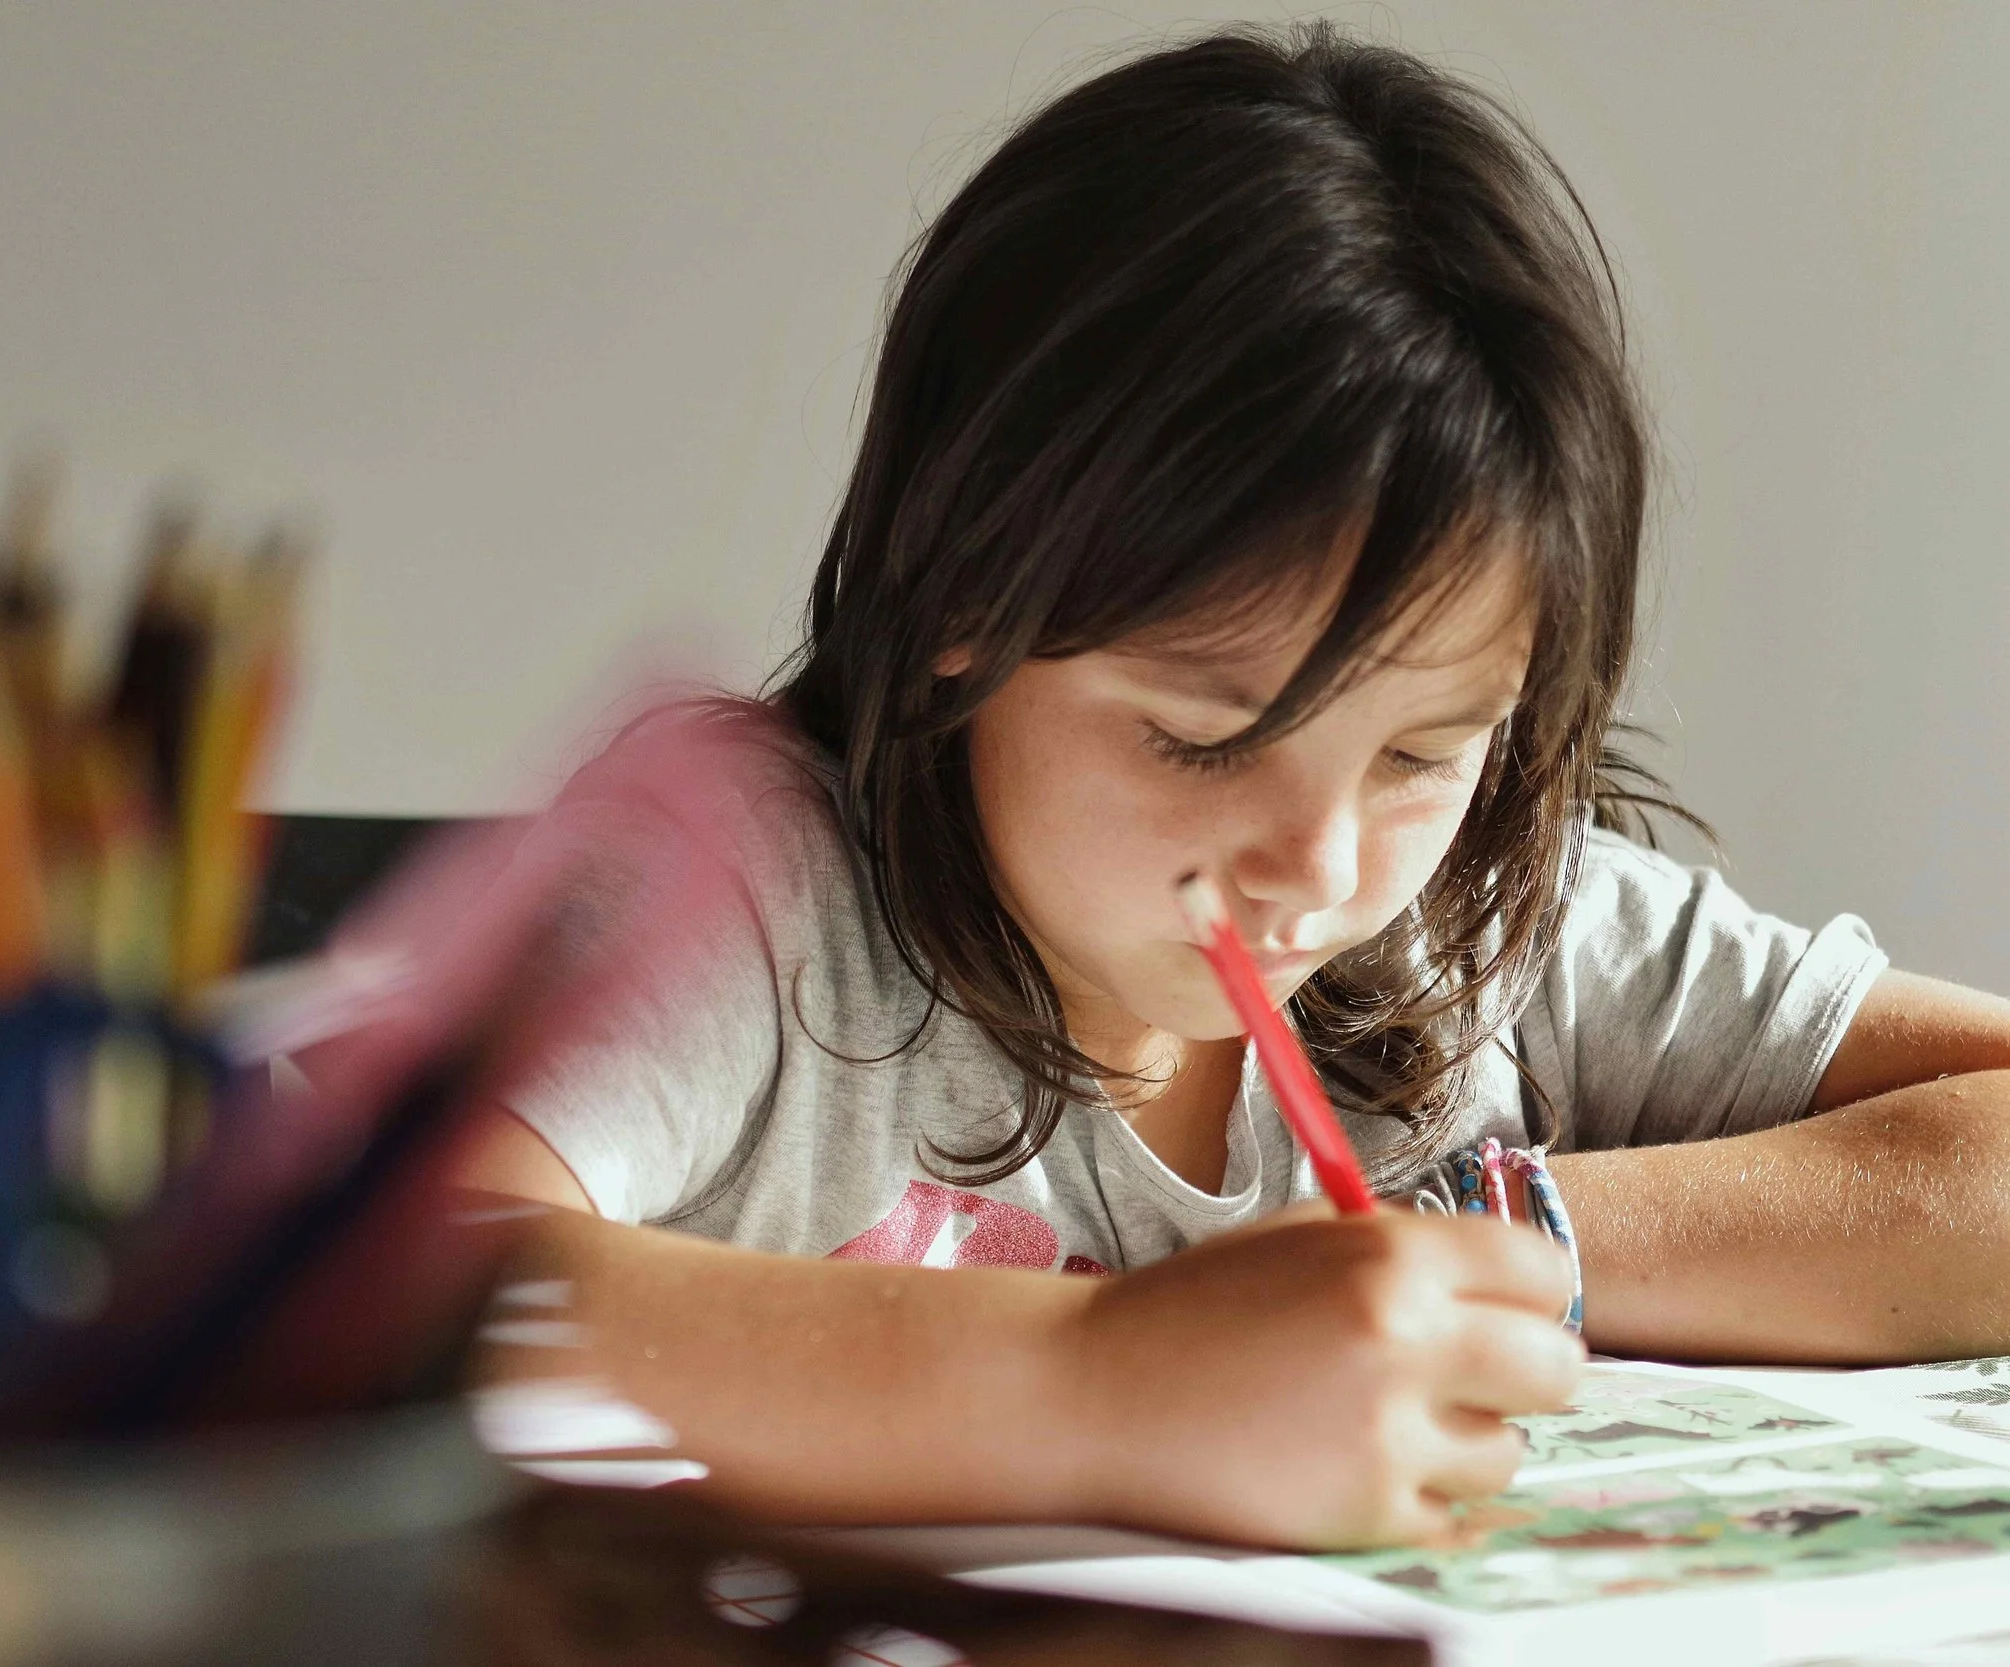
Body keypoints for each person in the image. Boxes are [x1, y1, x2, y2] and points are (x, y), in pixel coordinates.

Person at [446, 19, 2010, 1550]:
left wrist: (1490, 1246)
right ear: (957, 608)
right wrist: (1099, 1379)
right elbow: (378, 1293)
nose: (1319, 865)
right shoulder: (738, 883)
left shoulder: (1479, 914)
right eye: (1204, 735)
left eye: (1421, 750)